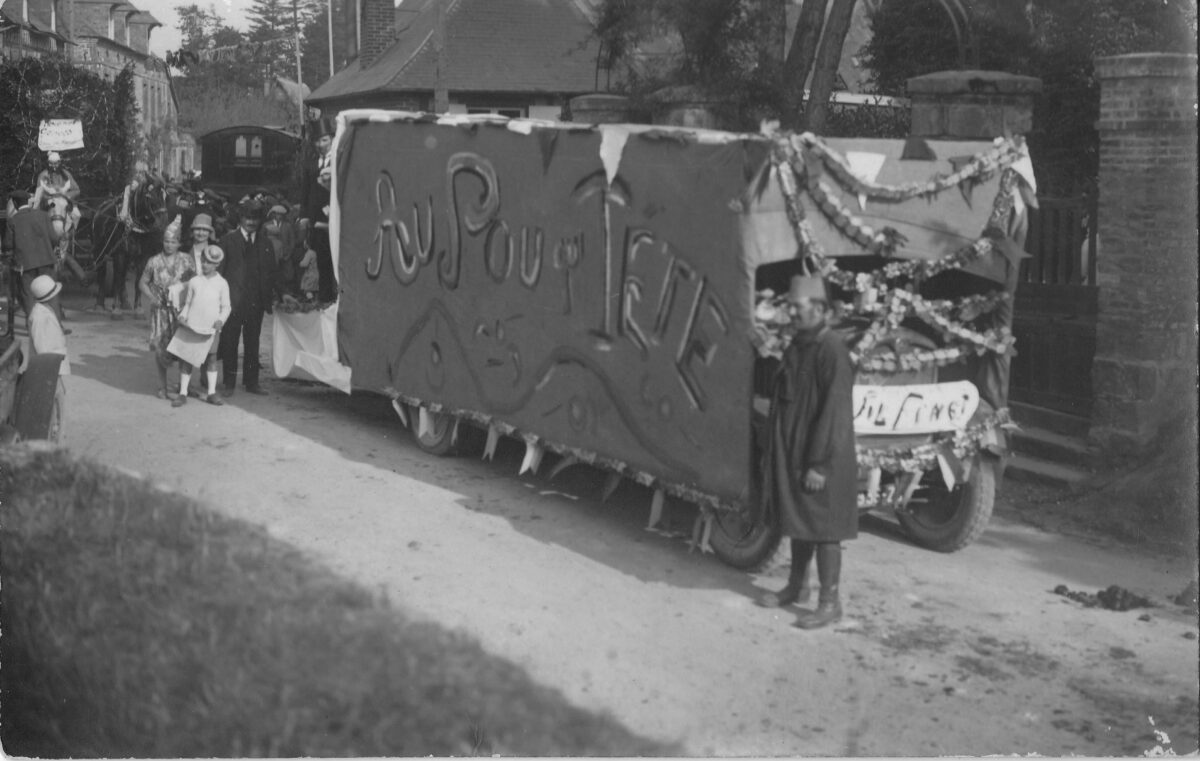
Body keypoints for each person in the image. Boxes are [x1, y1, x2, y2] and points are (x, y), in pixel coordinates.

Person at [755, 274, 857, 630]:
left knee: (826, 528)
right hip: (798, 453)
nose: (793, 314)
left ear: (819, 309)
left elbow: (835, 411)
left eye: (798, 308)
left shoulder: (833, 350)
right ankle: (796, 587)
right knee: (801, 522)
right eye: (792, 308)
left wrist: (818, 464)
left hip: (823, 458)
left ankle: (830, 602)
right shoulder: (799, 344)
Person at [217, 200, 277, 395]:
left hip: (255, 303)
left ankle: (252, 383)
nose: (251, 222)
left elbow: (272, 273)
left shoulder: (265, 243)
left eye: (255, 218)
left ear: (260, 221)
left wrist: (283, 294)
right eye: (247, 217)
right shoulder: (227, 241)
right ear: (240, 218)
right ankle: (229, 383)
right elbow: (219, 273)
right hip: (232, 302)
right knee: (229, 342)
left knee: (253, 342)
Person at [138, 215, 194, 400]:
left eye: (173, 242)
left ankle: (183, 386)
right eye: (166, 241)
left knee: (183, 348)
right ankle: (162, 386)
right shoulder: (154, 261)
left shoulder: (187, 260)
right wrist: (151, 297)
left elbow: (195, 283)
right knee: (162, 349)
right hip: (161, 311)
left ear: (179, 243)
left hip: (181, 311)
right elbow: (142, 283)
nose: (169, 245)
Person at [167, 245, 230, 407]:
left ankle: (211, 393)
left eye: (209, 262)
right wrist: (182, 316)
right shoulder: (195, 281)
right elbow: (188, 304)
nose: (205, 264)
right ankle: (183, 393)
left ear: (217, 264)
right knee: (188, 359)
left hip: (211, 328)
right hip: (193, 326)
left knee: (211, 359)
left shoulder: (222, 283)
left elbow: (226, 307)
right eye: (203, 261)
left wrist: (221, 320)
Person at [3, 190, 62, 326]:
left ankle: (34, 328)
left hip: (25, 265)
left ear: (16, 203)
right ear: (28, 202)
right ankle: (56, 325)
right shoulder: (43, 215)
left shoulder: (13, 221)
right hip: (47, 261)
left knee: (28, 296)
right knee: (51, 294)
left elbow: (7, 245)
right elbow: (54, 239)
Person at [300, 117, 336, 303]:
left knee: (334, 259)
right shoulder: (310, 164)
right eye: (318, 141)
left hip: (334, 218)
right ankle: (323, 297)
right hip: (315, 220)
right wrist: (304, 216)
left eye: (325, 140)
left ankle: (335, 297)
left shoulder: (339, 161)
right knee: (319, 259)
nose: (321, 145)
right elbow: (305, 191)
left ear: (331, 139)